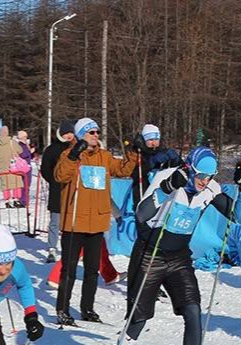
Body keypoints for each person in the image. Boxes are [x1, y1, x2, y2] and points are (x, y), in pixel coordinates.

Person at [109, 147, 241, 345]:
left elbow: (238, 216)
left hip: (179, 257)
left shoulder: (210, 188)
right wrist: (165, 190)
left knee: (193, 310)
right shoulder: (168, 177)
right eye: (200, 175)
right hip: (150, 253)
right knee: (139, 317)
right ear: (190, 168)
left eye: (209, 176)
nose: (204, 181)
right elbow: (141, 214)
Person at [53, 117, 138, 325]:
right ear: (82, 134)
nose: (96, 136)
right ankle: (62, 309)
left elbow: (123, 170)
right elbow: (60, 176)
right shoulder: (69, 154)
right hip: (75, 222)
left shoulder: (105, 157)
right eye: (92, 132)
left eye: (97, 132)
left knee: (92, 270)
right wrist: (74, 155)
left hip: (97, 222)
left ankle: (87, 308)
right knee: (69, 269)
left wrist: (134, 152)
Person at [39, 120, 75, 263]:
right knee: (55, 221)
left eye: (71, 133)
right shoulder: (52, 149)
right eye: (66, 133)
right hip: (57, 190)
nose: (69, 136)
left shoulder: (77, 148)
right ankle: (52, 248)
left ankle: (76, 249)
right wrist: (54, 180)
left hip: (73, 190)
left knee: (74, 221)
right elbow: (45, 169)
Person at [130, 124, 182, 205]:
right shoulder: (137, 153)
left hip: (161, 195)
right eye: (150, 140)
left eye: (156, 139)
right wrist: (151, 163)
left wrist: (176, 160)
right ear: (144, 140)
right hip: (142, 194)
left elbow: (179, 171)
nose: (154, 143)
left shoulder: (163, 152)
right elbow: (133, 173)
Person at [0, 125, 24, 208]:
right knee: (16, 183)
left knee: (5, 185)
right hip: (13, 167)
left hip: (2, 168)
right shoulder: (12, 141)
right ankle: (16, 200)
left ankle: (7, 202)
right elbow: (20, 150)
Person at [16, 130, 35, 207]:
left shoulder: (26, 144)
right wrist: (30, 151)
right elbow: (23, 155)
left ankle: (24, 200)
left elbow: (29, 156)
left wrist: (33, 153)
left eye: (26, 137)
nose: (26, 138)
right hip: (23, 167)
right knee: (25, 185)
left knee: (27, 184)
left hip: (27, 166)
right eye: (24, 137)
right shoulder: (20, 145)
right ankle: (22, 200)